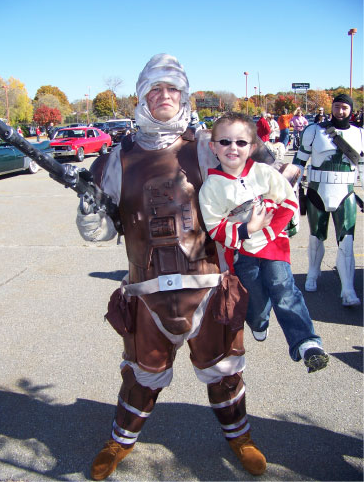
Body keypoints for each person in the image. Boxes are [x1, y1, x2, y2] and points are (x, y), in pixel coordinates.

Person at [76, 54, 267, 480]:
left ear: (184, 94)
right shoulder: (113, 160)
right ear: (142, 95)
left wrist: (252, 216)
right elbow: (103, 230)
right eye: (154, 89)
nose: (164, 96)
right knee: (142, 377)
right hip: (148, 296)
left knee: (224, 371)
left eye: (172, 89)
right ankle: (118, 443)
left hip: (208, 288)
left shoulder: (208, 146)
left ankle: (241, 438)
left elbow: (255, 185)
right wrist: (92, 219)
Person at [199, 112, 329, 374]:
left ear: (253, 147)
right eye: (224, 142)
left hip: (274, 245)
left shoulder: (263, 173)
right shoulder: (211, 186)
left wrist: (269, 230)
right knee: (256, 299)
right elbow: (215, 227)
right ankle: (259, 323)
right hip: (242, 252)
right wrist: (248, 228)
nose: (232, 148)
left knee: (283, 288)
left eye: (241, 142)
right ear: (213, 147)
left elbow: (289, 202)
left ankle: (306, 343)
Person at [293, 94, 364, 306]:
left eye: (344, 107)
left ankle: (348, 289)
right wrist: (289, 188)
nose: (340, 111)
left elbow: (362, 165)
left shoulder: (359, 134)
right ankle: (313, 273)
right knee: (316, 237)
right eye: (337, 107)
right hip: (317, 193)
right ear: (331, 108)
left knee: (347, 242)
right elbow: (299, 161)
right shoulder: (314, 131)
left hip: (346, 194)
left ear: (350, 110)